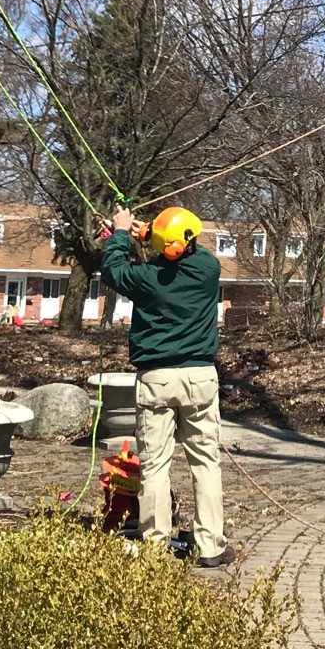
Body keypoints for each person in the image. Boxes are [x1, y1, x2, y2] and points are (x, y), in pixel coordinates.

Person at [101, 204, 234, 569]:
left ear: (162, 245)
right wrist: (149, 234)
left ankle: (154, 548)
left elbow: (113, 269)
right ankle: (210, 547)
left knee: (155, 467)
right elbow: (193, 247)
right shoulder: (208, 268)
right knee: (206, 463)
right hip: (199, 377)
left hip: (156, 378)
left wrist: (120, 233)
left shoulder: (145, 276)